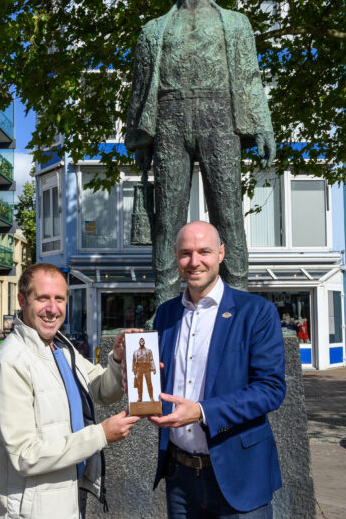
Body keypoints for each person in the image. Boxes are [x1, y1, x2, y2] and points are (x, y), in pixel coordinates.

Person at [124, 0, 276, 307]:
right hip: (169, 123)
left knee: (229, 216)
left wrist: (263, 124)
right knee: (166, 221)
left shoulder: (236, 24)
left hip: (220, 118)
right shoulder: (154, 30)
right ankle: (164, 306)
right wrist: (140, 140)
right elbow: (140, 87)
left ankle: (237, 303)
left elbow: (251, 76)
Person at [149, 221, 286, 517]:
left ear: (221, 254)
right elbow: (157, 377)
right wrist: (130, 367)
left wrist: (201, 411)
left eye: (204, 251)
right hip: (180, 477)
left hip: (239, 476)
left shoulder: (256, 312)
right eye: (185, 253)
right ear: (175, 256)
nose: (194, 261)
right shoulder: (166, 314)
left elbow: (271, 390)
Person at [0, 263, 141, 519]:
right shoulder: (10, 362)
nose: (52, 309)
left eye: (59, 299)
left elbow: (100, 388)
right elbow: (26, 456)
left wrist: (117, 360)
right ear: (22, 301)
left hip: (66, 495)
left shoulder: (58, 345)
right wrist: (101, 435)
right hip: (33, 508)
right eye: (42, 298)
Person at [132, 337, 157, 402]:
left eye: (143, 341)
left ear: (144, 342)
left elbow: (151, 359)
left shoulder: (149, 351)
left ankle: (151, 397)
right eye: (140, 341)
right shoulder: (135, 352)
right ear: (139, 342)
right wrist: (134, 370)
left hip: (146, 367)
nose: (142, 342)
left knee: (149, 383)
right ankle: (140, 398)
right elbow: (134, 361)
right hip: (139, 368)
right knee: (139, 384)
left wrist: (154, 368)